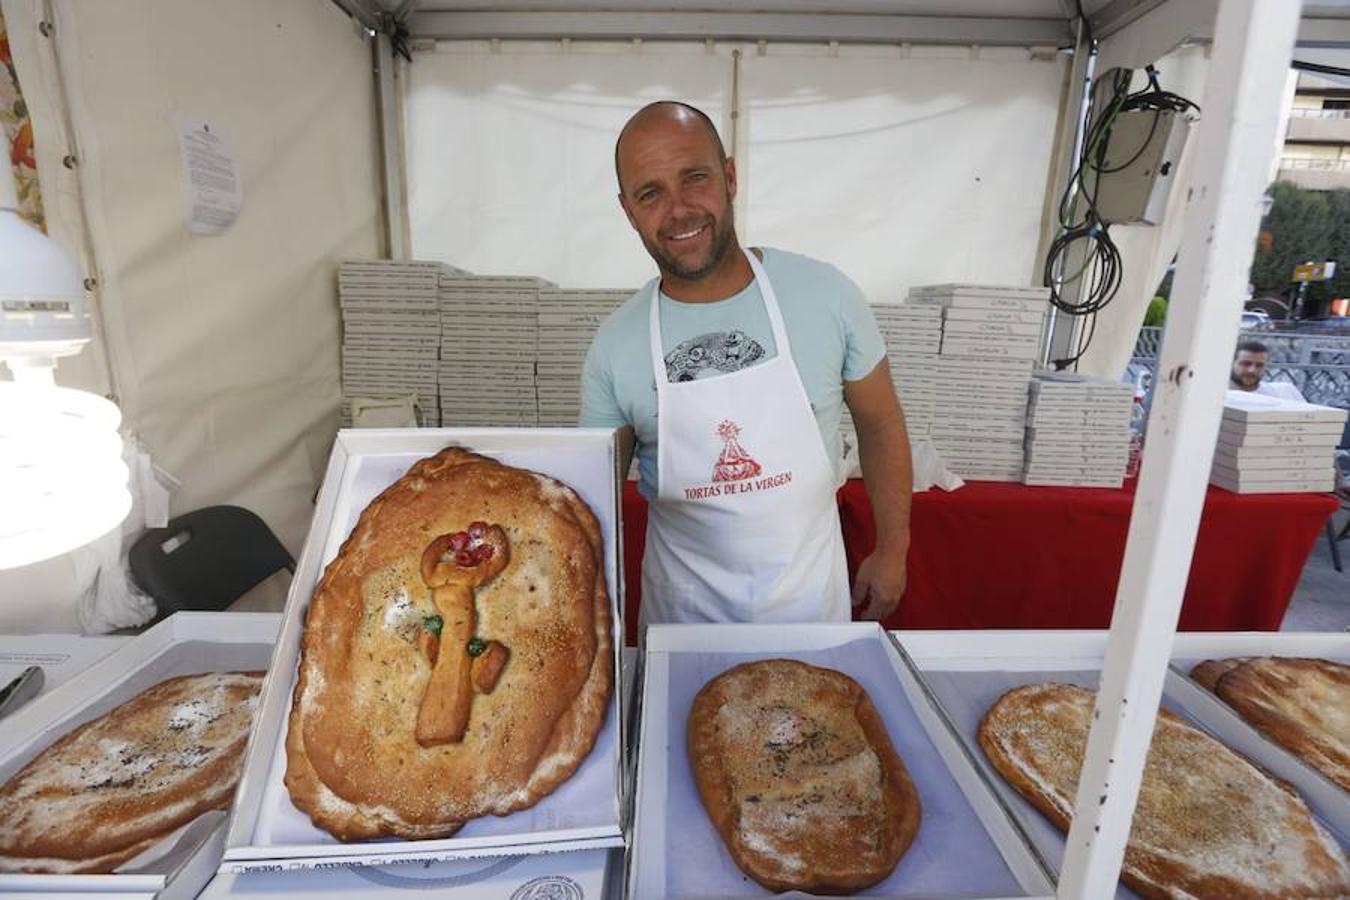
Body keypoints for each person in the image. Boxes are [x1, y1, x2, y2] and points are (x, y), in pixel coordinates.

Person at [579, 101, 912, 626]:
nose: (680, 209)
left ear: (730, 177)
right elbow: (591, 495)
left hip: (811, 614)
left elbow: (880, 422)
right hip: (682, 627)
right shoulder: (615, 345)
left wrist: (893, 548)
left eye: (695, 178)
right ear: (628, 211)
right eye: (651, 193)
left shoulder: (826, 295)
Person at [1229, 340, 1306, 402]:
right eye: (1246, 364)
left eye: (1259, 365)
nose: (1252, 370)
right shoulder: (1222, 397)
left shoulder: (1285, 391)